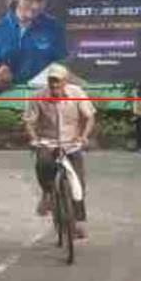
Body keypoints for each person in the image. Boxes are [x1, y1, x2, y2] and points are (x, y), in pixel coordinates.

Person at [23, 63, 95, 237]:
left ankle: (76, 222)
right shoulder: (38, 97)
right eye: (51, 81)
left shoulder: (77, 93)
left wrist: (84, 136)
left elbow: (89, 117)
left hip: (71, 142)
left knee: (79, 182)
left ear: (65, 81)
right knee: (42, 163)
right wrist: (34, 139)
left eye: (57, 81)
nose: (54, 85)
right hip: (48, 142)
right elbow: (29, 121)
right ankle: (47, 194)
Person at [0, 0, 68, 87]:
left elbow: (62, 67)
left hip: (46, 96)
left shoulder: (55, 27)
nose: (35, 6)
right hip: (13, 96)